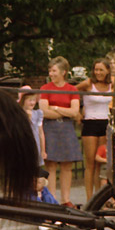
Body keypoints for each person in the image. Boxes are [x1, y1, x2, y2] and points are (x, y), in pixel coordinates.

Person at [39, 56, 82, 208]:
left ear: (63, 72)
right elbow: (44, 111)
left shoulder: (72, 89)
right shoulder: (45, 88)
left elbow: (75, 112)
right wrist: (65, 111)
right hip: (50, 128)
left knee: (67, 166)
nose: (51, 73)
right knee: (50, 165)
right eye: (50, 70)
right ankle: (53, 200)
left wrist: (55, 108)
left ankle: (66, 199)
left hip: (67, 129)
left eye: (54, 70)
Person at [77, 58, 115, 200]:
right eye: (96, 69)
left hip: (104, 122)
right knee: (90, 163)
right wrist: (78, 110)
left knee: (101, 163)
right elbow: (73, 91)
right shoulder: (89, 83)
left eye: (101, 69)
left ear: (107, 70)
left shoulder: (111, 84)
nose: (98, 72)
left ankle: (99, 197)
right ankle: (89, 198)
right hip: (90, 123)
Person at [18, 85, 46, 166]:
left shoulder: (37, 114)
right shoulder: (18, 114)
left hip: (35, 146)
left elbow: (40, 133)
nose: (32, 102)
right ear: (23, 100)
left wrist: (42, 150)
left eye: (34, 100)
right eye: (30, 100)